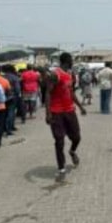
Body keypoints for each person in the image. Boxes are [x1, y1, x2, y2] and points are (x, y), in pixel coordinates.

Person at [45, 52, 87, 180]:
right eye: (72, 60)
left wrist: (80, 107)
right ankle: (61, 169)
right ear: (67, 61)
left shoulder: (69, 75)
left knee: (77, 137)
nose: (73, 62)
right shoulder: (55, 75)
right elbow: (47, 93)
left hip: (70, 111)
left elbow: (71, 93)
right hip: (56, 113)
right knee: (59, 141)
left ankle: (72, 151)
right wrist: (48, 113)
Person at [3, 64, 21, 133]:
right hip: (12, 97)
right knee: (11, 112)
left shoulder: (2, 77)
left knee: (5, 112)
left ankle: (5, 127)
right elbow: (17, 89)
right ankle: (9, 128)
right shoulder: (14, 77)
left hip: (3, 97)